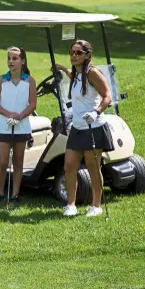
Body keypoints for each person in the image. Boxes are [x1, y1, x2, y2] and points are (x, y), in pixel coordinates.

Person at [55, 40, 113, 217]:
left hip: (93, 126)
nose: (74, 56)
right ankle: (71, 205)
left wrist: (96, 112)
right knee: (69, 165)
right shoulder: (77, 73)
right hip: (78, 127)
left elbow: (107, 96)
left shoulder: (92, 72)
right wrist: (64, 70)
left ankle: (96, 206)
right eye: (71, 52)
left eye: (78, 53)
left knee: (92, 166)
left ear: (87, 55)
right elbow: (76, 81)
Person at [0, 46, 37, 203]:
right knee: (3, 161)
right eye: (9, 58)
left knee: (18, 161)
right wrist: (8, 114)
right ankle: (0, 192)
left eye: (15, 58)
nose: (11, 61)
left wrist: (20, 116)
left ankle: (15, 194)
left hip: (22, 126)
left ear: (22, 61)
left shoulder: (29, 81)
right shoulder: (0, 80)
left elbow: (32, 104)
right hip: (4, 125)